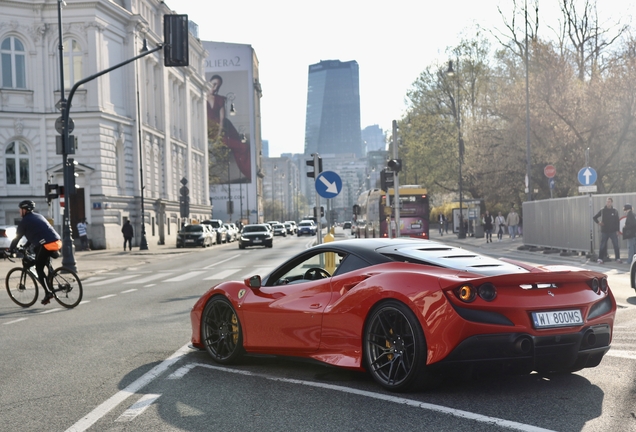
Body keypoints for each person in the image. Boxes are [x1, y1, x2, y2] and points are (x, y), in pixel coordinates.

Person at [8, 200, 62, 305]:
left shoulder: (24, 222)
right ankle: (51, 276)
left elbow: (17, 238)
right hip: (57, 242)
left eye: (20, 209)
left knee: (38, 268)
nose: (19, 211)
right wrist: (25, 246)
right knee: (42, 259)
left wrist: (11, 250)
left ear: (24, 210)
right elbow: (35, 235)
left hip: (46, 244)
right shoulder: (38, 216)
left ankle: (48, 293)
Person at [206, 74, 251, 181]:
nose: (215, 88)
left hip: (223, 130)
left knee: (242, 147)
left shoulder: (220, 99)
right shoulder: (199, 95)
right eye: (214, 84)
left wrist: (217, 136)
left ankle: (249, 172)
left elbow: (222, 119)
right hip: (208, 129)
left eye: (218, 86)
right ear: (209, 82)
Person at [593, 197, 621, 264]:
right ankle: (600, 259)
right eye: (607, 201)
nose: (608, 203)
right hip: (604, 231)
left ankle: (617, 258)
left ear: (611, 202)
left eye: (609, 202)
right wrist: (599, 222)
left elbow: (617, 221)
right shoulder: (603, 210)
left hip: (613, 231)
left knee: (616, 245)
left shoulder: (615, 211)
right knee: (602, 245)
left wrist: (617, 230)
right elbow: (594, 217)